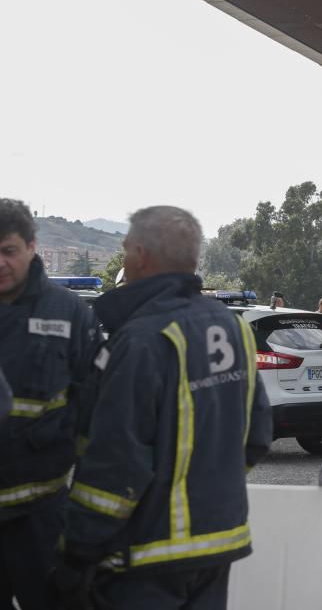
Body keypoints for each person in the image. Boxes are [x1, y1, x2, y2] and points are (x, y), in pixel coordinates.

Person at [52, 206, 272, 609]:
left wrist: (76, 551)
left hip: (147, 557)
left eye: (124, 249)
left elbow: (115, 464)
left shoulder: (141, 340)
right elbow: (256, 434)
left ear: (140, 254)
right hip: (217, 543)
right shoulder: (233, 326)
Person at [0, 199, 100, 610]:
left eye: (7, 250)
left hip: (41, 519)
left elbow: (93, 409)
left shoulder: (69, 313)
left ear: (31, 247)